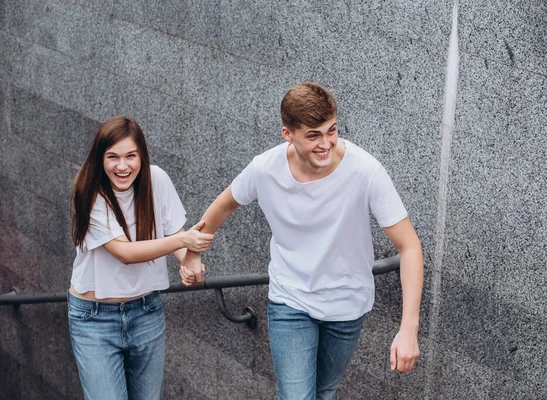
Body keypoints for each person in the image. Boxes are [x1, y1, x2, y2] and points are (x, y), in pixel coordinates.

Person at [180, 82, 424, 399]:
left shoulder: (365, 172)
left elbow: (409, 246)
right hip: (290, 300)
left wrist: (408, 330)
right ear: (288, 134)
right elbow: (223, 206)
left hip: (347, 305)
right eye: (313, 135)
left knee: (322, 394)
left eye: (331, 131)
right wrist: (191, 255)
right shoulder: (264, 169)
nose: (326, 144)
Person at [68, 115, 214, 400]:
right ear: (100, 159)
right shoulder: (90, 191)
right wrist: (183, 241)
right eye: (113, 157)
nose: (122, 166)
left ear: (142, 156)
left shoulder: (156, 179)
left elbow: (175, 233)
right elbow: (125, 253)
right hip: (94, 318)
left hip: (146, 311)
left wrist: (189, 262)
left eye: (130, 156)